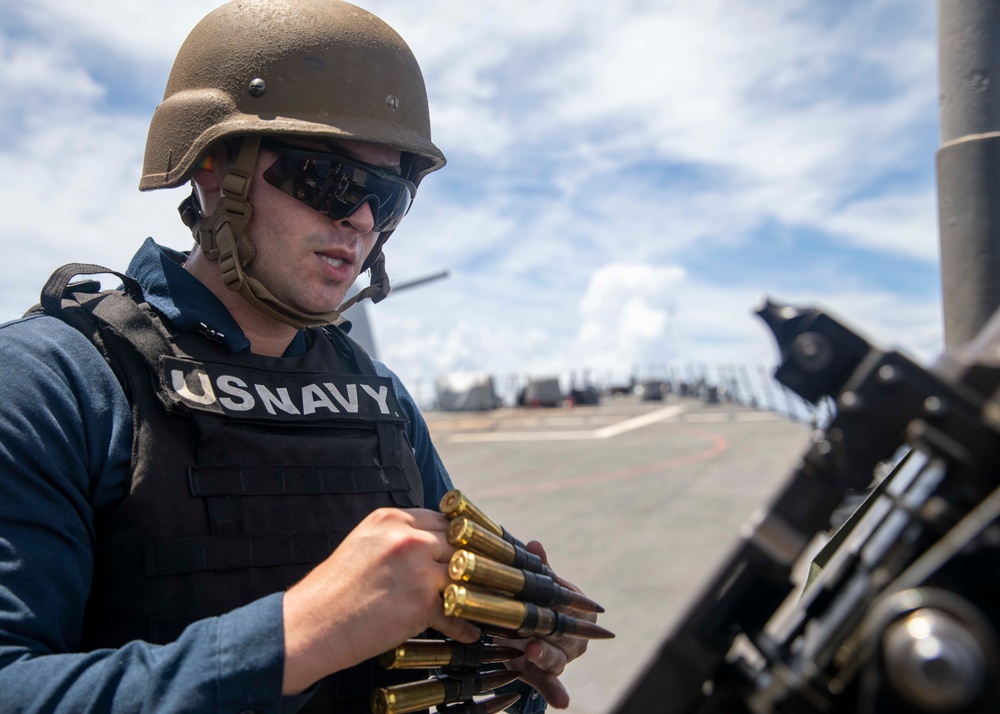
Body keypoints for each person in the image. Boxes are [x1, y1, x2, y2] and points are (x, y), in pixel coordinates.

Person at [0, 1, 592, 711]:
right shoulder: (54, 385)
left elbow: (437, 645)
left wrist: (505, 640)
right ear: (216, 171)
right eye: (331, 183)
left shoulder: (378, 397)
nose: (362, 221)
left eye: (389, 196)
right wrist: (301, 634)